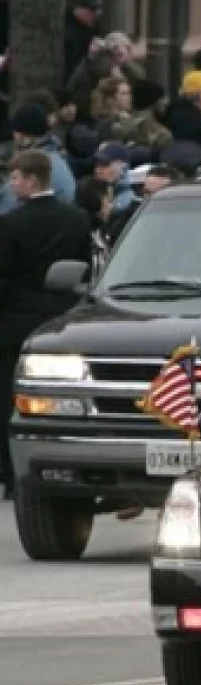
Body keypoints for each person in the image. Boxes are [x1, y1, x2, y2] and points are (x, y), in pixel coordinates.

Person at [0, 151, 92, 497]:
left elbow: (4, 276)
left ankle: (12, 474)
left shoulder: (10, 223)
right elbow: (84, 269)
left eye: (14, 177)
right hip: (61, 320)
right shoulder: (77, 219)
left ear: (32, 180)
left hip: (16, 320)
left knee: (10, 396)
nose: (11, 184)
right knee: (63, 395)